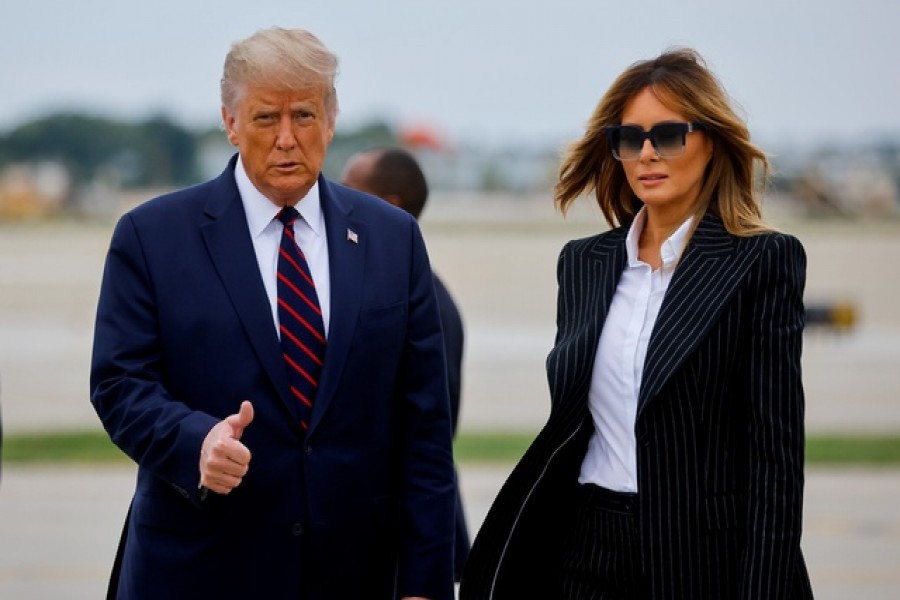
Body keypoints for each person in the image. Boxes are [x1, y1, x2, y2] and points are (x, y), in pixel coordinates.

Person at [90, 27, 455, 600]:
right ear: (230, 123)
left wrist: (425, 582)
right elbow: (119, 383)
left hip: (353, 575)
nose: (287, 139)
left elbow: (424, 429)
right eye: (265, 119)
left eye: (304, 116)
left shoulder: (393, 238)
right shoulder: (152, 237)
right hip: (198, 571)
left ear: (331, 121)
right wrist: (196, 443)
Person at [460, 48, 814, 599]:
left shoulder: (762, 261)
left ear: (711, 141)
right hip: (587, 544)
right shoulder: (584, 263)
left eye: (668, 135)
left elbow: (776, 461)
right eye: (630, 139)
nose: (647, 153)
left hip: (702, 559)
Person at [341, 147, 471, 582]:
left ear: (388, 207)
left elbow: (430, 432)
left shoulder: (424, 301)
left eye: (349, 191)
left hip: (398, 539)